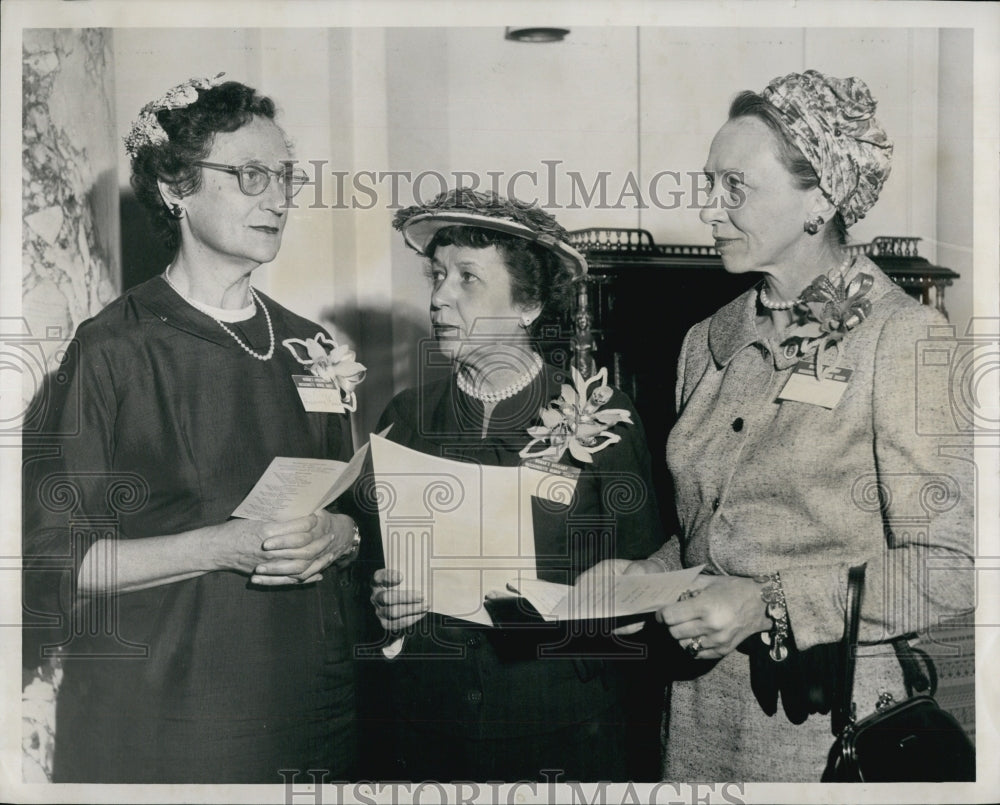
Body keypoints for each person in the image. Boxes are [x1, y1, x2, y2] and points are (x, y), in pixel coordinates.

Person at [588, 70, 974, 781]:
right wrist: (649, 575)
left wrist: (770, 603)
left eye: (735, 186)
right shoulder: (707, 339)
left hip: (831, 728)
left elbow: (950, 563)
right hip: (697, 720)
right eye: (709, 185)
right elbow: (714, 527)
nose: (709, 209)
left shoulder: (901, 338)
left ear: (820, 199)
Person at [22, 75, 367, 783]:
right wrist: (222, 546)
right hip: (170, 721)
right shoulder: (113, 347)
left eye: (285, 178)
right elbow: (57, 563)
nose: (278, 197)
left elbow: (351, 515)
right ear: (177, 188)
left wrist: (341, 534)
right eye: (250, 175)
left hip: (311, 714)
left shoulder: (310, 346)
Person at [355, 188, 664, 781]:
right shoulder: (405, 417)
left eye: (468, 279)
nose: (439, 297)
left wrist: (614, 609)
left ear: (526, 306)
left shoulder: (603, 415)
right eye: (437, 275)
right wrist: (386, 616)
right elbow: (367, 575)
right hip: (426, 733)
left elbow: (643, 575)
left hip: (562, 731)